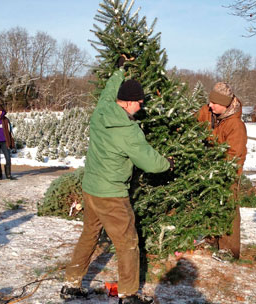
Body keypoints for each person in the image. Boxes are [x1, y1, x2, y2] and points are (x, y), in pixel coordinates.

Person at [60, 57, 174, 304]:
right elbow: (149, 161)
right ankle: (129, 294)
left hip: (90, 189)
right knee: (128, 242)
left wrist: (119, 70)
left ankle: (71, 283)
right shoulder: (127, 129)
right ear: (130, 103)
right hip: (111, 195)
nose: (141, 108)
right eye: (140, 104)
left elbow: (110, 91)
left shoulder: (103, 110)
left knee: (89, 235)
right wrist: (168, 164)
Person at [197, 82, 247, 258]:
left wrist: (217, 167)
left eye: (214, 103)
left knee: (228, 208)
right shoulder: (208, 112)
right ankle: (212, 239)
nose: (209, 105)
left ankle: (229, 250)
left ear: (225, 105)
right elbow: (192, 123)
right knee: (211, 204)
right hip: (210, 170)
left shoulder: (235, 126)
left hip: (228, 173)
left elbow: (235, 154)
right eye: (210, 101)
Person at [0, 104, 16, 180]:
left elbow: (10, 131)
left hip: (5, 142)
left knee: (8, 158)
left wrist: (12, 142)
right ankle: (0, 175)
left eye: (0, 111)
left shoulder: (6, 120)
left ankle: (8, 174)